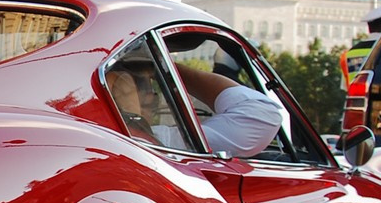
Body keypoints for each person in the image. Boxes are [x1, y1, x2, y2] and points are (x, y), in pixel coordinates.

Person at [109, 58, 284, 158]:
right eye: (151, 87)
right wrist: (162, 69)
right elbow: (263, 114)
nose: (154, 97)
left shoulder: (102, 144)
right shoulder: (162, 143)